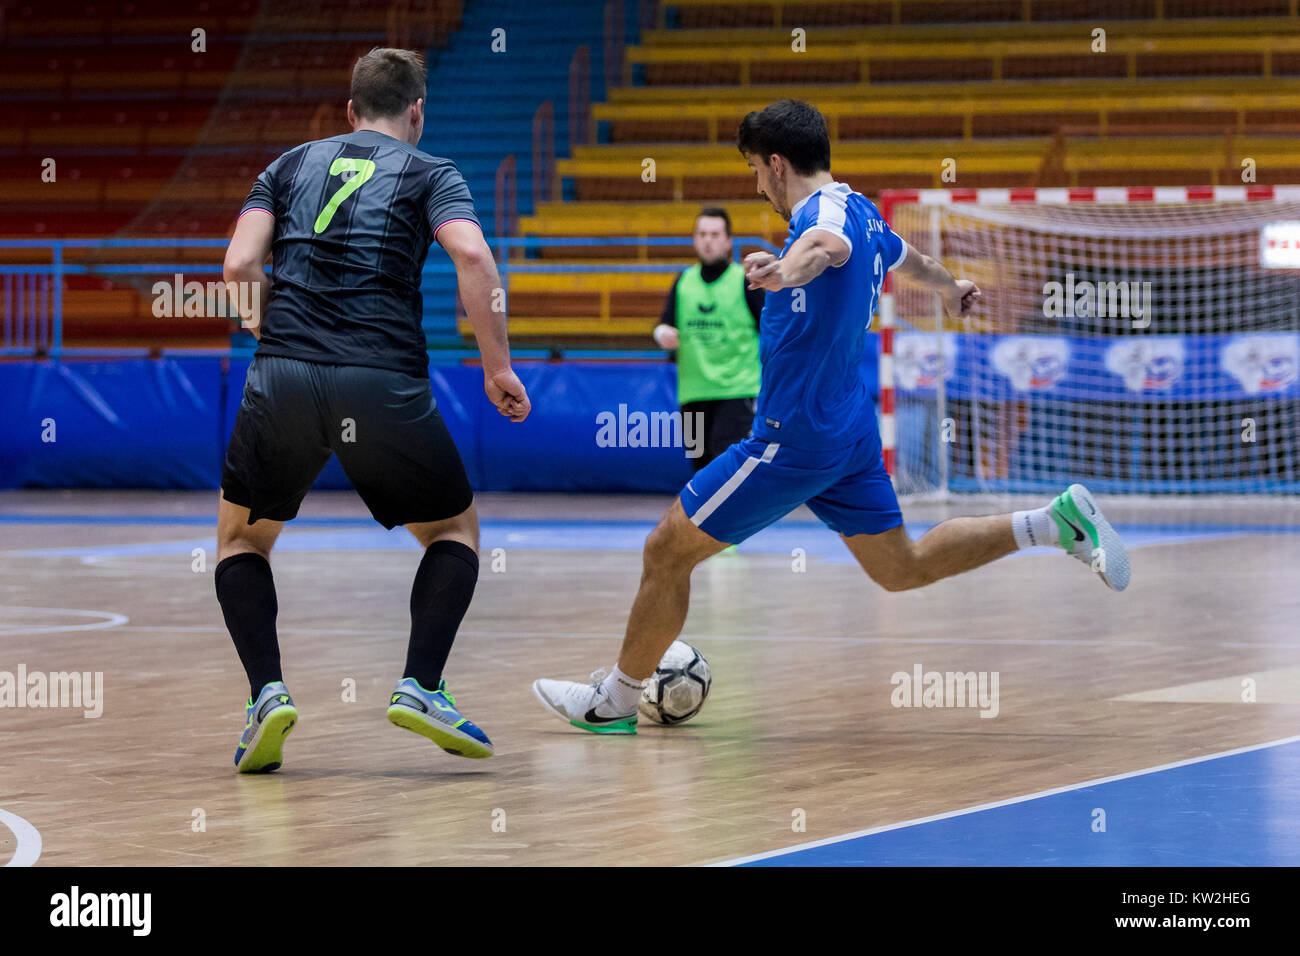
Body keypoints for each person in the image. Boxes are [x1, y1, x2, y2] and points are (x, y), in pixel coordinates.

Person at [532, 98, 1129, 735]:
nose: (756, 185)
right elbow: (911, 262)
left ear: (777, 163)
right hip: (846, 434)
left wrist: (783, 272)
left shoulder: (828, 215)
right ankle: (1051, 524)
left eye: (756, 172)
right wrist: (951, 287)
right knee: (904, 567)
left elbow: (822, 249)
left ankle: (616, 700)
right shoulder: (867, 212)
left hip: (791, 440)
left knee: (665, 551)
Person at [217, 48, 530, 772]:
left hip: (284, 375)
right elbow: (475, 258)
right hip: (380, 377)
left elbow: (236, 265)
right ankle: (421, 686)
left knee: (240, 540)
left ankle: (267, 696)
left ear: (349, 111)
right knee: (452, 530)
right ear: (416, 110)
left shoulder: (289, 164)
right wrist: (498, 367)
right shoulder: (431, 173)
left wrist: (268, 329)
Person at [652, 207, 763, 470]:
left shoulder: (745, 282)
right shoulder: (684, 282)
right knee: (700, 471)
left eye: (714, 234)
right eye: (702, 234)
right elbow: (664, 323)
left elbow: (771, 330)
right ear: (694, 240)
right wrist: (662, 334)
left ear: (727, 242)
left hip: (736, 391)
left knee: (726, 469)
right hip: (693, 392)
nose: (708, 240)